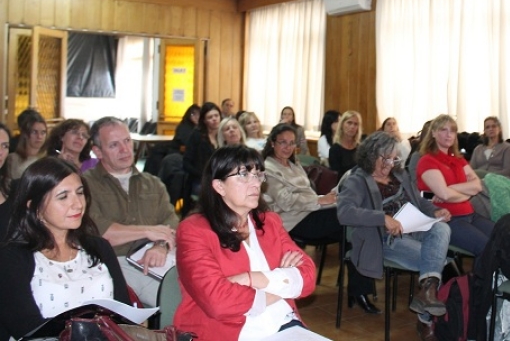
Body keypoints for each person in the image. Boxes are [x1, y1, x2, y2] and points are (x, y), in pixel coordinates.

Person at [174, 145, 316, 340]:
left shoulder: (270, 222)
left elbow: (308, 278)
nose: (255, 183)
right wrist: (282, 285)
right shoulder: (194, 231)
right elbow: (218, 303)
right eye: (243, 175)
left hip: (284, 324)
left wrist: (251, 279)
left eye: (258, 175)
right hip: (232, 332)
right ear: (219, 186)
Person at [337, 131, 452, 340]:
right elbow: (344, 212)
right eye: (386, 158)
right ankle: (426, 320)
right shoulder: (357, 180)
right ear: (372, 155)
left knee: (442, 228)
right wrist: (382, 218)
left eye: (394, 158)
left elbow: (418, 201)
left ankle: (426, 294)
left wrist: (434, 211)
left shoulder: (400, 174)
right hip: (383, 239)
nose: (391, 163)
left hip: (413, 227)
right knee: (437, 261)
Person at [0, 158, 129, 341]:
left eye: (80, 193)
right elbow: (26, 327)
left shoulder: (99, 248)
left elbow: (123, 314)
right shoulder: (14, 258)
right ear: (34, 206)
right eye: (63, 197)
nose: (77, 204)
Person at [262, 124, 379, 313]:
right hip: (293, 222)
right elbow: (286, 201)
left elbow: (308, 194)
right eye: (282, 142)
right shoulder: (268, 167)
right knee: (355, 220)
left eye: (292, 143)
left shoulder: (293, 164)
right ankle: (359, 291)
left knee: (356, 227)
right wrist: (320, 200)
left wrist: (328, 198)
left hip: (312, 212)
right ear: (272, 143)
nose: (287, 147)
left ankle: (359, 290)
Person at [82, 117, 178, 307]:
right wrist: (147, 231)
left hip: (158, 256)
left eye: (127, 141)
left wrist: (160, 245)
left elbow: (172, 223)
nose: (125, 150)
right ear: (98, 151)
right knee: (176, 302)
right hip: (114, 262)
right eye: (114, 145)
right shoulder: (85, 185)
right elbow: (100, 233)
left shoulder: (153, 183)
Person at [417, 114, 495, 256]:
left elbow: (477, 186)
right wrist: (463, 193)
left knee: (502, 238)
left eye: (452, 131)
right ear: (433, 133)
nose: (449, 135)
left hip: (470, 214)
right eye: (443, 130)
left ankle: (498, 277)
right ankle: (484, 278)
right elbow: (445, 195)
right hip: (449, 219)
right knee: (487, 247)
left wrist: (449, 189)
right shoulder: (427, 161)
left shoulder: (458, 159)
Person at [183, 102, 222, 199]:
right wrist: (204, 176)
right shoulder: (197, 135)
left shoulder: (223, 134)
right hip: (200, 178)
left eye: (216, 115)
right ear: (204, 120)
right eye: (210, 117)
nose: (214, 119)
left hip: (220, 178)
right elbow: (186, 162)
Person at [7, 111, 47, 179]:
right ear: (25, 134)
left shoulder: (49, 159)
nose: (39, 136)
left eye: (43, 132)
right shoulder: (12, 158)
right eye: (34, 132)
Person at [329, 110, 363, 176]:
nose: (352, 127)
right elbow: (336, 176)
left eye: (356, 124)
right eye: (349, 123)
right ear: (342, 125)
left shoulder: (361, 148)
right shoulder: (335, 150)